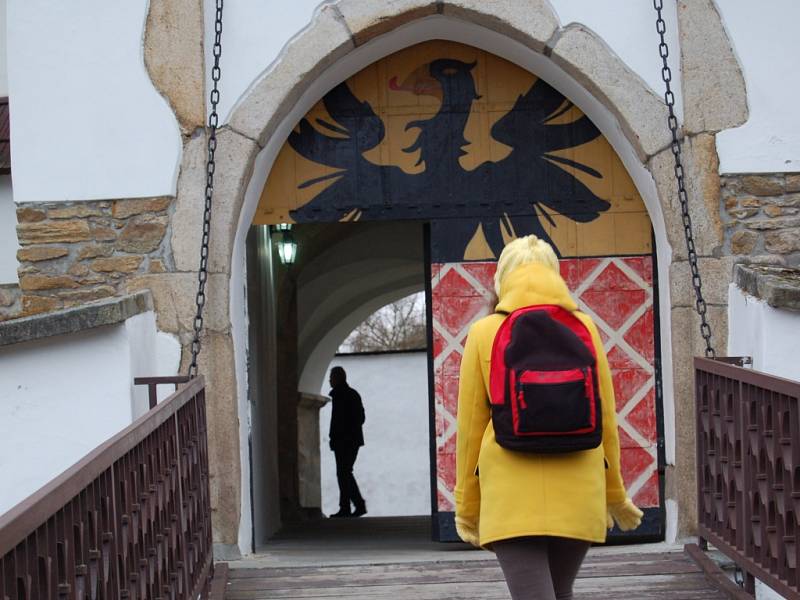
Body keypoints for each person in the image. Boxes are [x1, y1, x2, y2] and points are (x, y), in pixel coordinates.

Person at [454, 235, 643, 600]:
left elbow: (470, 431)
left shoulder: (483, 333)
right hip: (578, 488)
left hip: (511, 496)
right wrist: (614, 494)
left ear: (501, 278)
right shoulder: (584, 327)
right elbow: (607, 421)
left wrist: (467, 507)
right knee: (560, 592)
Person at [328, 366, 367, 518]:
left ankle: (353, 505)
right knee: (344, 473)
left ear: (337, 378)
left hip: (344, 441)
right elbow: (360, 417)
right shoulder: (351, 394)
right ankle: (349, 506)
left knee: (343, 473)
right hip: (350, 440)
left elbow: (338, 421)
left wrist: (339, 435)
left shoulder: (342, 395)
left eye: (331, 378)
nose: (330, 381)